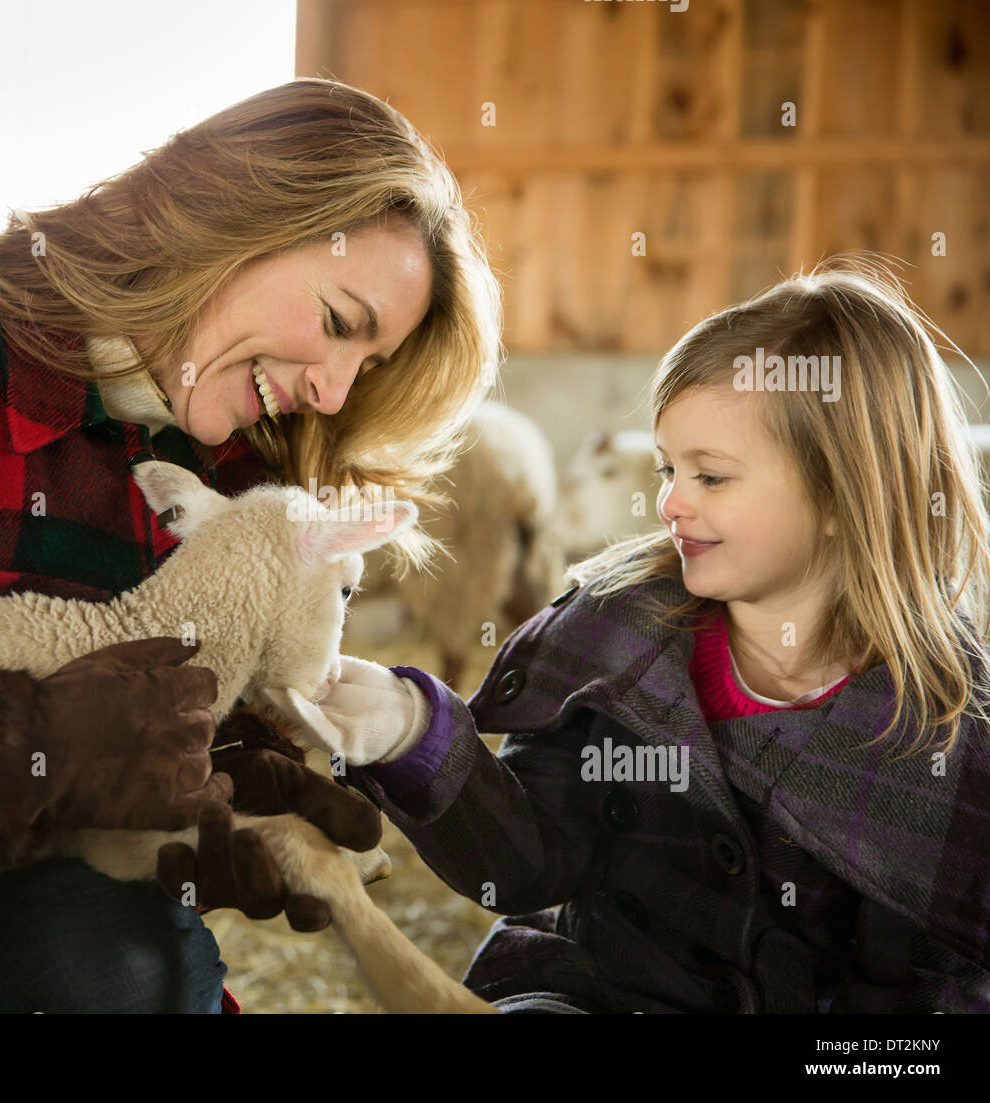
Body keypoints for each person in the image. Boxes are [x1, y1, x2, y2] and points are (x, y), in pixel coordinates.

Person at [0, 78, 502, 1013]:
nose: (332, 392)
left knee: (119, 971)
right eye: (335, 324)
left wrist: (209, 788)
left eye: (367, 368)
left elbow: (122, 735)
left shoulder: (230, 477)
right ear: (227, 218)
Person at [291, 256, 990, 1012]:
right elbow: (529, 862)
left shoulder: (942, 728)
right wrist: (414, 734)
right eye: (666, 470)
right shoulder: (615, 636)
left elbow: (930, 997)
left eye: (711, 477)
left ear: (840, 493)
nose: (669, 504)